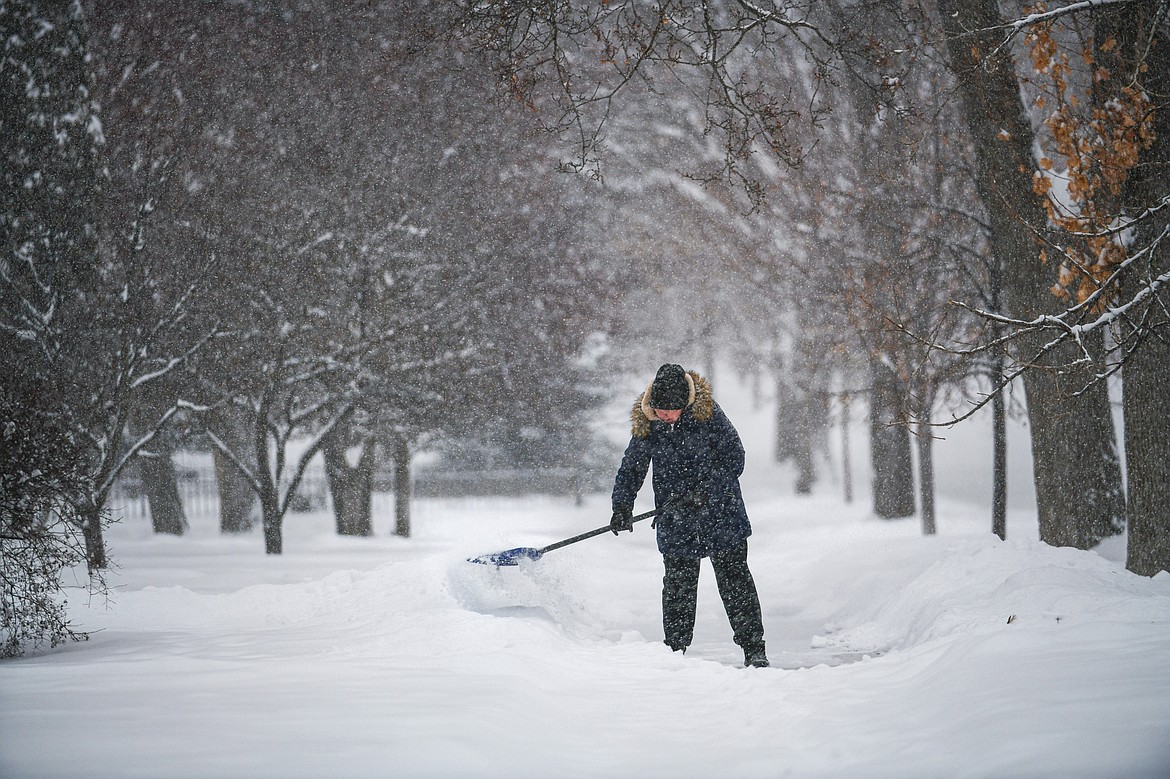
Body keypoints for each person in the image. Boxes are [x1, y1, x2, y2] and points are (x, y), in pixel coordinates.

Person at [610, 363, 769, 668]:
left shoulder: (708, 416)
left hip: (722, 514)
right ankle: (674, 655)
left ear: (684, 403)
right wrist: (621, 506)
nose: (664, 415)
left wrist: (706, 489)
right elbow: (633, 466)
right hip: (676, 519)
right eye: (659, 409)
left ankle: (754, 650)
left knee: (736, 584)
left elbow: (735, 458)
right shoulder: (650, 424)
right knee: (678, 590)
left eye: (670, 410)